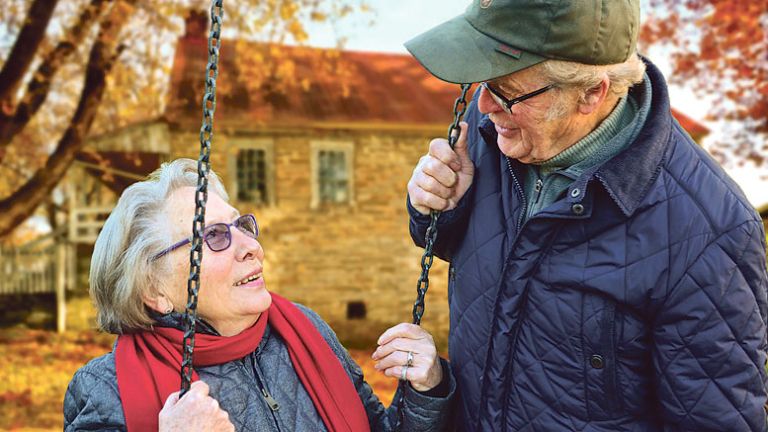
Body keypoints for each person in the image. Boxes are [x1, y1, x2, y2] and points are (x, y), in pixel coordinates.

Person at [404, 0, 768, 430]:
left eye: (505, 91)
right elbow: (479, 258)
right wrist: (440, 208)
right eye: (480, 82)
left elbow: (714, 420)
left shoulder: (708, 231)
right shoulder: (494, 131)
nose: (484, 105)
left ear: (591, 93)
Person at [64, 158, 455, 431]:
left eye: (241, 225)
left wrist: (426, 390)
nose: (250, 245)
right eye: (214, 236)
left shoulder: (304, 331)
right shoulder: (105, 388)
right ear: (154, 290)